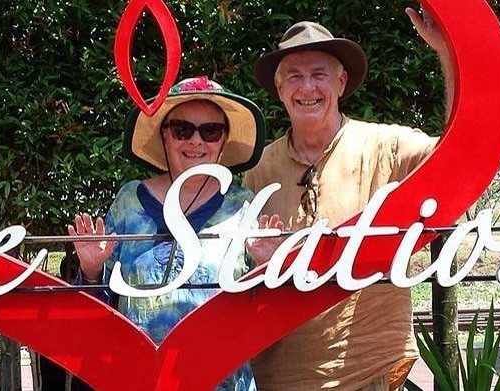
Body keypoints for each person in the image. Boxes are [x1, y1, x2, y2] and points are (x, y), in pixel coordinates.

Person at [243, 9, 454, 391]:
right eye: (294, 75)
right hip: (279, 378)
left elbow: (459, 159)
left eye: (319, 74)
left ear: (341, 82)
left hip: (369, 372)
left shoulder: (386, 147)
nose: (306, 87)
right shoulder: (257, 173)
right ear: (279, 89)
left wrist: (446, 52)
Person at [68, 76, 266, 391]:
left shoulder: (242, 206)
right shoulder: (129, 201)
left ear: (224, 138)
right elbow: (96, 315)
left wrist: (264, 266)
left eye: (210, 131)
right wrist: (91, 270)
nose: (196, 142)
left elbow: (261, 316)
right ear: (165, 134)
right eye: (182, 129)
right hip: (138, 380)